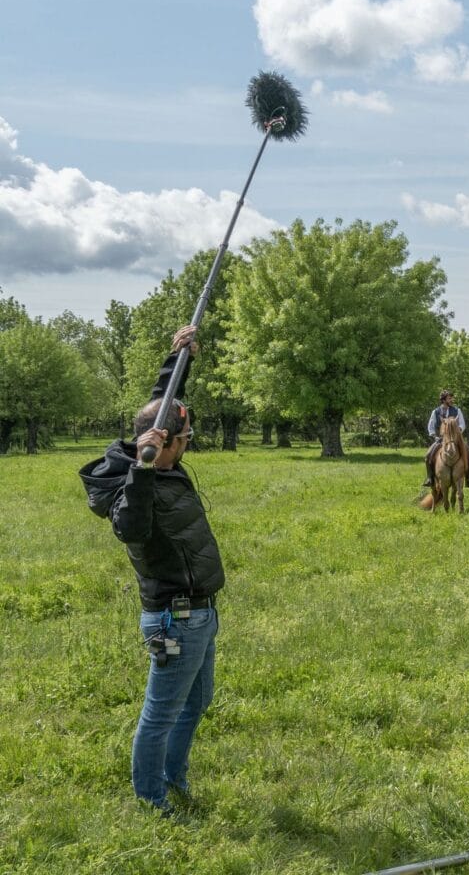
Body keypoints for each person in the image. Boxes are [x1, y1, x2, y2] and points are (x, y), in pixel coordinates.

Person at [78, 325, 223, 816]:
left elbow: (161, 405)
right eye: (184, 438)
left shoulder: (160, 459)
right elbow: (131, 528)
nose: (187, 444)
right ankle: (151, 800)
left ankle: (173, 778)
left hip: (201, 612)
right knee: (161, 712)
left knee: (196, 703)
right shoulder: (134, 483)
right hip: (173, 619)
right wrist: (141, 469)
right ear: (160, 447)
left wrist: (177, 356)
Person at [423, 390, 469, 491]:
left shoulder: (457, 410)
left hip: (456, 438)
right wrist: (435, 436)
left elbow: (462, 424)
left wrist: (457, 433)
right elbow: (431, 426)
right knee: (428, 456)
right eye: (449, 398)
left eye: (452, 398)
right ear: (443, 400)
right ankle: (430, 478)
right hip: (441, 439)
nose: (452, 400)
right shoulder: (436, 412)